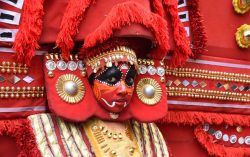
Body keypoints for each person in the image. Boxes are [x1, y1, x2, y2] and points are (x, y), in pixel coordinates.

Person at [0, 0, 191, 156]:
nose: (123, 89)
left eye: (130, 80)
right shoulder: (47, 133)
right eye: (111, 79)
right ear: (85, 78)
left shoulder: (150, 136)